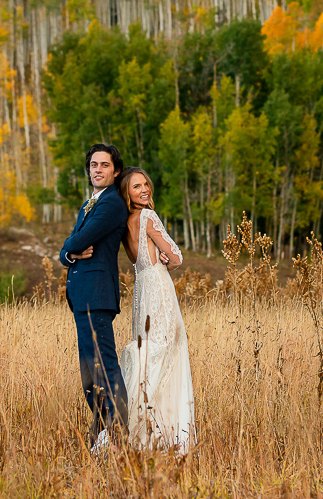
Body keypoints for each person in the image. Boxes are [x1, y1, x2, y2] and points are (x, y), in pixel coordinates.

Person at [116, 166, 195, 453]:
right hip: (159, 289)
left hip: (141, 291)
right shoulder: (148, 216)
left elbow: (139, 259)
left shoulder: (125, 224)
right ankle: (169, 435)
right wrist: (167, 259)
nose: (145, 189)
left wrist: (156, 254)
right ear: (127, 193)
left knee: (149, 348)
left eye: (145, 184)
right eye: (136, 187)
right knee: (168, 352)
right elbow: (176, 257)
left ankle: (140, 429)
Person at [60, 143, 129, 454]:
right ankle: (103, 432)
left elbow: (79, 240)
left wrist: (70, 248)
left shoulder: (111, 204)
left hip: (97, 295)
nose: (97, 170)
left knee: (104, 366)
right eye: (93, 165)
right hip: (84, 296)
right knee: (90, 370)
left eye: (104, 165)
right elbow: (69, 249)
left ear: (115, 171)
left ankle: (118, 434)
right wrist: (69, 253)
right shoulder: (90, 203)